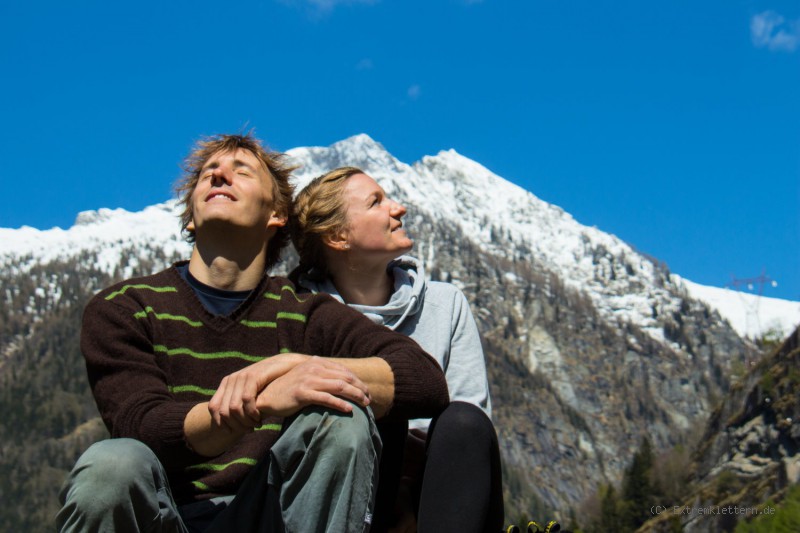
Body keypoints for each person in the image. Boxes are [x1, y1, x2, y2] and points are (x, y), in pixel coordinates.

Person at [56, 135, 449, 533]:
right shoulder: (126, 306)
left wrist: (300, 367)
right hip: (165, 514)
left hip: (271, 513)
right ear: (190, 217)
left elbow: (426, 380)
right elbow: (142, 427)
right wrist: (258, 401)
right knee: (111, 465)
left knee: (342, 418)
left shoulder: (305, 313)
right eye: (208, 173)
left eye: (241, 171)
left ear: (277, 214)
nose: (219, 174)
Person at [290, 167, 504, 532]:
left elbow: (470, 426)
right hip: (342, 491)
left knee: (465, 422)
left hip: (438, 492)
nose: (399, 208)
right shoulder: (297, 312)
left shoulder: (445, 303)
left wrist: (409, 501)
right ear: (338, 236)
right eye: (377, 202)